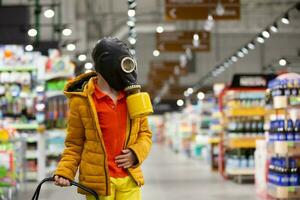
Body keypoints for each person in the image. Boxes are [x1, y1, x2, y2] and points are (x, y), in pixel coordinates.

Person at [53, 37, 152, 200]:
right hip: (98, 185)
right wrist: (65, 171)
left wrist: (135, 154)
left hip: (129, 180)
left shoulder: (132, 97)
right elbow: (75, 143)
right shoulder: (82, 101)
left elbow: (145, 134)